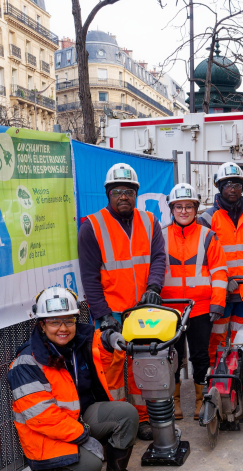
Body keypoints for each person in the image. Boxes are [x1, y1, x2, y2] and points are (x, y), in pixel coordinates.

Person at [7, 288, 148, 471]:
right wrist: (84, 436)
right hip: (45, 434)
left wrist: (109, 340)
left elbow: (98, 347)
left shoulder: (78, 344)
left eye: (69, 320)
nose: (63, 328)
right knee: (89, 467)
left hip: (78, 418)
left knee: (126, 413)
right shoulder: (26, 364)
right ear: (42, 325)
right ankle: (46, 470)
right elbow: (43, 418)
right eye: (54, 322)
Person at [77, 163, 166, 441]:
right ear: (107, 193)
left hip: (141, 313)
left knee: (141, 368)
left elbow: (159, 259)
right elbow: (90, 277)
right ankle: (115, 422)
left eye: (129, 191)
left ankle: (141, 419)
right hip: (111, 314)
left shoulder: (150, 221)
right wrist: (103, 315)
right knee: (112, 372)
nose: (123, 196)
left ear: (136, 193)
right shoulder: (91, 227)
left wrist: (153, 287)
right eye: (117, 191)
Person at [161, 183, 228, 420]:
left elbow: (219, 271)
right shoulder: (160, 236)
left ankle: (201, 400)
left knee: (200, 355)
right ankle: (175, 400)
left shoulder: (208, 236)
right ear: (171, 208)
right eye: (178, 206)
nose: (183, 211)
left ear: (196, 209)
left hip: (200, 308)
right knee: (172, 356)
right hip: (169, 310)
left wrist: (217, 302)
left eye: (188, 206)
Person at [198, 162, 243, 366]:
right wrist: (222, 282)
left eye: (237, 185)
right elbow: (201, 260)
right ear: (220, 187)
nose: (233, 189)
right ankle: (215, 377)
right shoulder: (208, 219)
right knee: (217, 340)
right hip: (220, 295)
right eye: (228, 184)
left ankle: (240, 376)